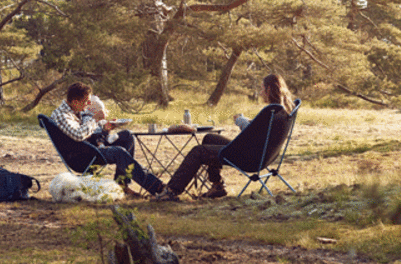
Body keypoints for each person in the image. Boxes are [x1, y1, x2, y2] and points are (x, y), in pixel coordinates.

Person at [154, 74, 294, 201]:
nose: (261, 92)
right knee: (210, 138)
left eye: (262, 89)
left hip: (251, 159)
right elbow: (260, 128)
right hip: (264, 155)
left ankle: (171, 191)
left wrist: (240, 120)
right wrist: (250, 121)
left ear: (269, 90)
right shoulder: (280, 111)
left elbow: (249, 133)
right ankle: (217, 186)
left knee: (198, 151)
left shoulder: (270, 111)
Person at [50, 82, 165, 196]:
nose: (89, 104)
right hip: (82, 156)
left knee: (127, 136)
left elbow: (87, 133)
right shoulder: (62, 115)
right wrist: (95, 119)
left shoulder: (75, 111)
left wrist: (105, 129)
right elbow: (79, 135)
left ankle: (122, 184)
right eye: (86, 101)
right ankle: (157, 187)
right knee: (118, 152)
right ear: (75, 102)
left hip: (89, 148)